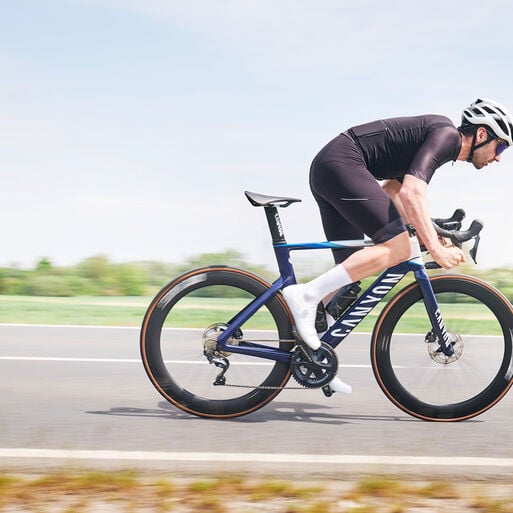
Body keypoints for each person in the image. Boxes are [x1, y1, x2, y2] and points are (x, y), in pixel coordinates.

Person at [283, 98, 513, 355]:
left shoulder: (431, 142)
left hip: (332, 167)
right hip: (342, 164)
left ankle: (309, 355)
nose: (499, 158)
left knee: (349, 274)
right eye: (501, 147)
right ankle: (305, 295)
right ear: (482, 133)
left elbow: (393, 193)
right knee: (399, 247)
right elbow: (412, 194)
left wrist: (430, 235)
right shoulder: (447, 136)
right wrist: (436, 248)